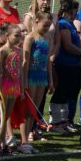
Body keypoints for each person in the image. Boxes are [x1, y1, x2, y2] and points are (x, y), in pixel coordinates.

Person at [22, 10, 54, 144]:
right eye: (45, 25)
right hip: (31, 75)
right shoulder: (30, 38)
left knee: (34, 110)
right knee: (28, 109)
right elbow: (25, 61)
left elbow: (48, 61)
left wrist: (50, 80)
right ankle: (24, 139)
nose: (47, 28)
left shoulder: (46, 39)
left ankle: (28, 135)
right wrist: (24, 80)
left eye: (49, 26)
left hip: (42, 76)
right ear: (36, 22)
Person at [52, 0, 81, 133]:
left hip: (73, 65)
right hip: (64, 64)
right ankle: (56, 122)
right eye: (75, 9)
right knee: (61, 92)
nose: (77, 12)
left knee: (67, 94)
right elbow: (68, 45)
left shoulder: (70, 24)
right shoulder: (63, 24)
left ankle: (64, 122)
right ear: (71, 10)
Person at [0, 24, 26, 153]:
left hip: (14, 86)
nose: (19, 38)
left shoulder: (19, 51)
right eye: (16, 36)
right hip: (4, 85)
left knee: (7, 115)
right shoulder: (2, 51)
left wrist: (22, 89)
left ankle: (3, 140)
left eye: (20, 36)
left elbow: (20, 71)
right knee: (1, 116)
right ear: (7, 35)